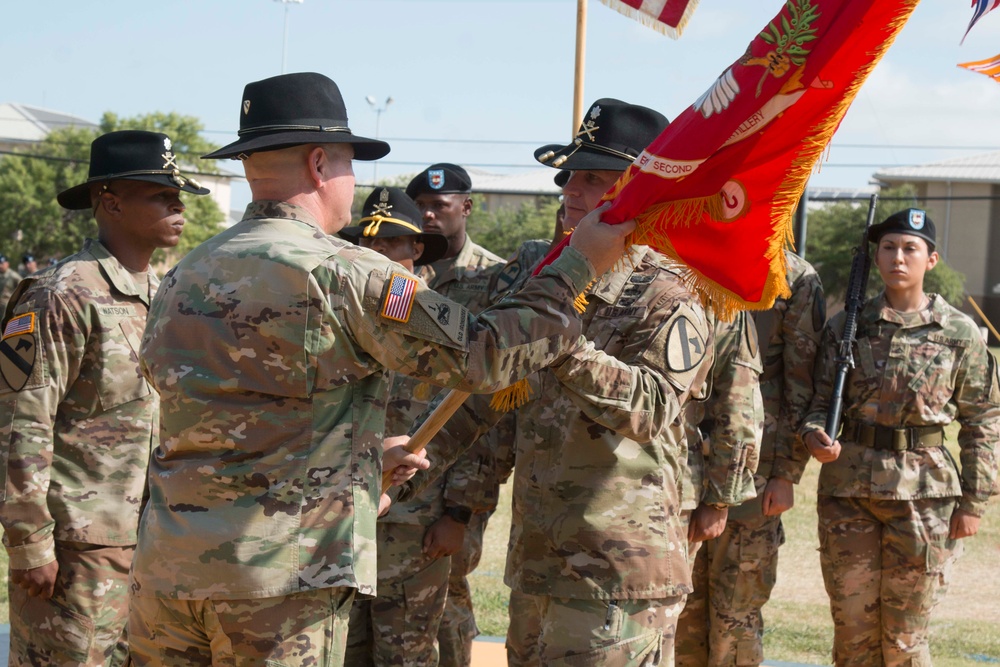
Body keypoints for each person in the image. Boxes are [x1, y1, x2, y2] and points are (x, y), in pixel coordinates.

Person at [127, 72, 633, 667]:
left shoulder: (185, 271)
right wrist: (577, 266)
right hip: (275, 583)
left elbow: (231, 419)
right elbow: (485, 353)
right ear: (319, 164)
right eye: (349, 162)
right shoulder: (349, 272)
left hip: (165, 573)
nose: (352, 180)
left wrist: (359, 464)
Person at [399, 98, 728, 667]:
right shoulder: (544, 275)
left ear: (637, 192)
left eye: (593, 178)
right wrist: (416, 452)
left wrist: (559, 337)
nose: (570, 191)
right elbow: (490, 397)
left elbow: (649, 408)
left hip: (620, 574)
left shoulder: (672, 292)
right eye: (569, 177)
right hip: (540, 561)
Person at [0, 130, 209, 666]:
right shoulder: (60, 294)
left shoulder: (159, 294)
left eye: (178, 193)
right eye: (161, 194)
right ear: (111, 202)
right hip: (76, 553)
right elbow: (20, 421)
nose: (178, 205)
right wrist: (29, 544)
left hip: (153, 544)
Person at [801, 208, 1000, 666]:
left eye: (910, 248)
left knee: (905, 640)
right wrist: (815, 433)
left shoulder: (959, 333)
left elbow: (982, 420)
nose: (898, 257)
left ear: (931, 260)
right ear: (876, 258)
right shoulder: (847, 326)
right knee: (851, 633)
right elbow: (815, 402)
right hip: (848, 495)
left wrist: (974, 503)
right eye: (888, 247)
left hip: (925, 500)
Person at [676, 250, 823, 666]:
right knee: (679, 610)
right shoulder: (686, 253)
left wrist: (787, 473)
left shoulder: (793, 276)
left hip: (753, 469)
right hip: (682, 462)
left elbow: (802, 378)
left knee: (734, 617)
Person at [340, 186, 461, 666]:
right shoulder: (344, 312)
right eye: (370, 244)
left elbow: (469, 426)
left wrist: (460, 511)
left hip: (417, 528)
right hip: (350, 521)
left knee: (405, 657)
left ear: (416, 248)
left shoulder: (444, 321)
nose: (379, 254)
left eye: (392, 244)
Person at [403, 163, 511, 667]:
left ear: (466, 207)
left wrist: (462, 510)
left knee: (447, 600)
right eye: (420, 206)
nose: (427, 215)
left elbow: (493, 408)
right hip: (398, 468)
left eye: (439, 206)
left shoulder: (495, 278)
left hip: (456, 477)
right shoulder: (401, 272)